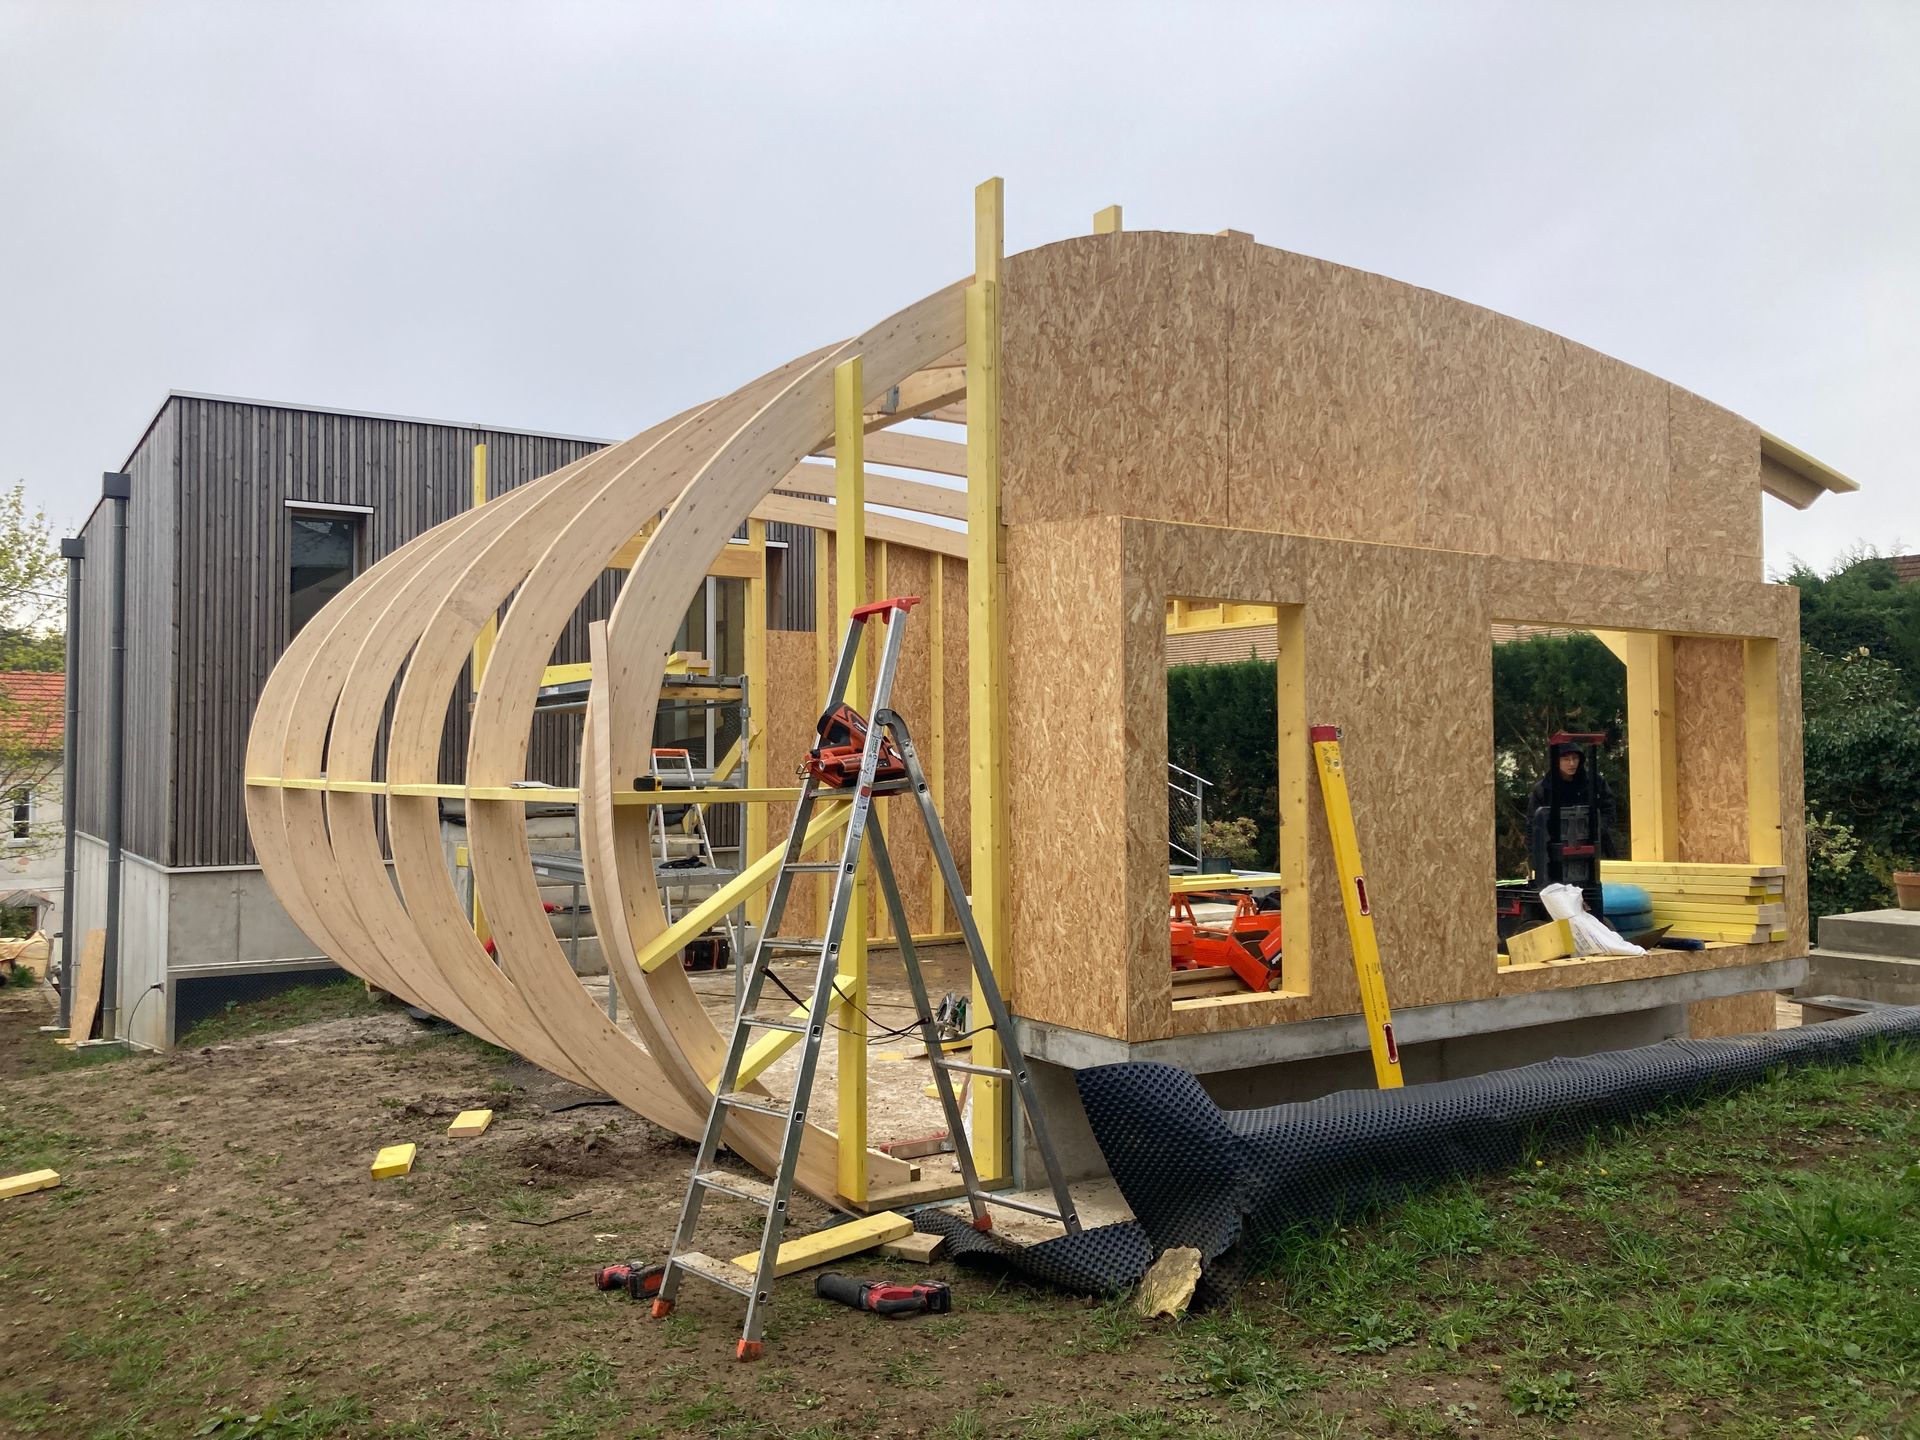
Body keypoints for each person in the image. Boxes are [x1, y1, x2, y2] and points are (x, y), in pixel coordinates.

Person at [1528, 745, 1617, 864]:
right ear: (1556, 761)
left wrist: (1598, 830)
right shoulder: (1543, 789)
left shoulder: (1594, 782)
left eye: (1575, 758)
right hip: (1555, 850)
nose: (1571, 763)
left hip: (1594, 846)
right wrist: (1536, 857)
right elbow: (1533, 824)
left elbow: (1609, 808)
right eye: (1565, 759)